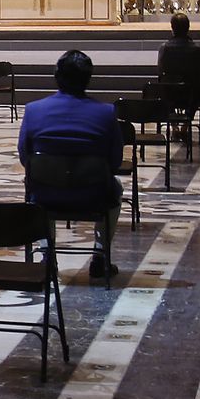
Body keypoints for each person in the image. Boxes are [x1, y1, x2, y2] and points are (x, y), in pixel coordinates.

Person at [17, 50, 123, 279]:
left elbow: (25, 157)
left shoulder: (34, 110)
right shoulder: (106, 113)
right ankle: (100, 254)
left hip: (45, 195)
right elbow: (115, 162)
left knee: (34, 185)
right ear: (88, 78)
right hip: (93, 194)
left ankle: (47, 256)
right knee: (117, 188)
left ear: (56, 76)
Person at [157, 11, 200, 131]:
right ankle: (186, 125)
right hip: (191, 94)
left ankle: (174, 126)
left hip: (170, 93)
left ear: (172, 29)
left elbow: (160, 71)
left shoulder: (165, 48)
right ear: (188, 28)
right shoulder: (197, 49)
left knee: (164, 86)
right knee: (197, 87)